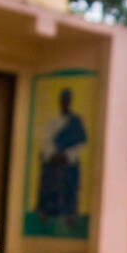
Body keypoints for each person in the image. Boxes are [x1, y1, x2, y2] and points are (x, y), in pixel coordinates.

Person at [36, 87, 87, 228]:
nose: (65, 103)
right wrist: (52, 154)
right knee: (48, 181)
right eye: (63, 100)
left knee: (69, 184)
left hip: (68, 162)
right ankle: (46, 213)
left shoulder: (76, 121)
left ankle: (69, 215)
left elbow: (80, 142)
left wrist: (66, 155)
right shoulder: (54, 120)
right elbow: (46, 140)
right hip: (52, 160)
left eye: (67, 100)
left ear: (70, 102)